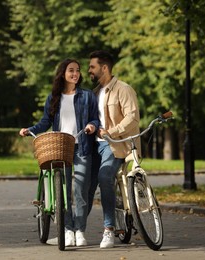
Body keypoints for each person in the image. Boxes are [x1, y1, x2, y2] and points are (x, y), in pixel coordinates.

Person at [19, 58, 99, 247]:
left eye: (78, 70)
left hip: (82, 147)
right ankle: (68, 230)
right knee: (63, 193)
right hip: (62, 148)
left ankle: (80, 231)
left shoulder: (87, 96)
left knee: (80, 191)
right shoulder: (54, 97)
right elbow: (45, 122)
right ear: (63, 73)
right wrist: (29, 129)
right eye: (71, 70)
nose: (75, 73)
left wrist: (92, 125)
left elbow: (96, 119)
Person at [87, 50, 141, 248]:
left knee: (104, 176)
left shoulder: (123, 89)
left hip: (114, 145)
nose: (89, 70)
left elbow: (132, 118)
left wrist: (111, 132)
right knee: (82, 183)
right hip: (94, 146)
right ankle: (73, 229)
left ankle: (108, 229)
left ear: (104, 68)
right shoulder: (94, 93)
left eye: (92, 66)